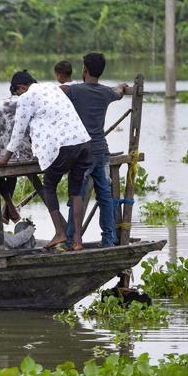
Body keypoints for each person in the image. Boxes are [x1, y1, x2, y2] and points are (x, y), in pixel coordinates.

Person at [0, 79, 92, 251]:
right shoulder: (53, 88)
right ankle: (78, 241)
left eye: (18, 92)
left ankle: (60, 232)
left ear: (22, 87)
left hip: (63, 146)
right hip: (83, 142)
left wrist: (5, 159)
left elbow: (18, 131)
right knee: (75, 193)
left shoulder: (26, 97)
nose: (18, 97)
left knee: (49, 187)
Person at [64, 53, 129, 248]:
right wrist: (123, 86)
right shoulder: (106, 92)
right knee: (105, 197)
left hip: (82, 154)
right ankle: (108, 240)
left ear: (85, 70)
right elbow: (119, 91)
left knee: (77, 196)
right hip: (101, 152)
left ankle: (70, 240)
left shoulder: (74, 91)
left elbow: (56, 91)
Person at [0, 70, 43, 224]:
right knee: (9, 167)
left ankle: (9, 205)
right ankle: (10, 207)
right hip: (27, 157)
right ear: (20, 88)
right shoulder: (32, 103)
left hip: (3, 158)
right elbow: (36, 134)